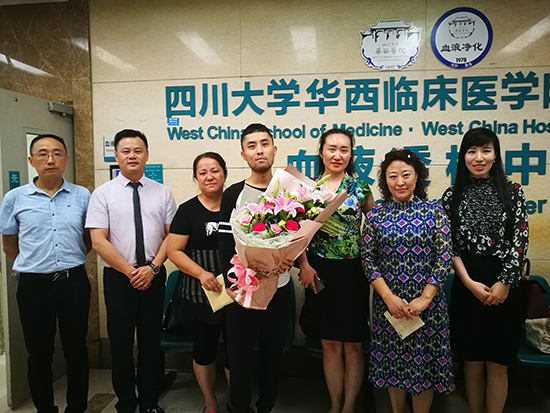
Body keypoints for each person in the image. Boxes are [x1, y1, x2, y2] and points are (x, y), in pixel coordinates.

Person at [86, 129, 176, 413]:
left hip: (154, 275)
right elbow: (98, 241)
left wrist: (152, 267)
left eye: (138, 150)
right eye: (126, 151)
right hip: (118, 278)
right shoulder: (102, 194)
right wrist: (130, 272)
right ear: (116, 156)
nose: (132, 156)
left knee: (151, 341)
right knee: (121, 343)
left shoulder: (162, 192)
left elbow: (171, 237)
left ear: (147, 155)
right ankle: (125, 403)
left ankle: (149, 402)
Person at [0, 134, 91, 413]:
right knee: (39, 354)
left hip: (73, 283)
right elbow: (9, 244)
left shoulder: (83, 195)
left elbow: (89, 239)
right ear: (31, 160)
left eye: (56, 153)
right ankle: (45, 409)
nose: (50, 160)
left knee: (76, 350)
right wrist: (36, 263)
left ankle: (77, 408)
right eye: (42, 154)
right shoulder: (14, 198)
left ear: (66, 160)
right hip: (33, 287)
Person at [441, 128, 528, 413]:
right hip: (468, 283)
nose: (479, 158)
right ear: (463, 156)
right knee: (472, 359)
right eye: (472, 151)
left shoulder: (512, 191)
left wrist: (505, 282)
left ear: (495, 155)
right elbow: (449, 246)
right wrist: (468, 283)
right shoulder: (452, 195)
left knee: (498, 361)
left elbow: (520, 240)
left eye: (486, 151)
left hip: (505, 285)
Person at [362, 149, 454, 413]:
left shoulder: (434, 211)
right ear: (385, 180)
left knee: (423, 366)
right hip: (389, 306)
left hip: (427, 306)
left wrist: (425, 298)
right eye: (392, 176)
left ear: (417, 177)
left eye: (406, 175)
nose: (399, 182)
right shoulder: (375, 215)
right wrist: (388, 298)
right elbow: (368, 259)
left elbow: (444, 256)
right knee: (395, 365)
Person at [298, 128, 375, 413]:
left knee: (353, 344)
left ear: (351, 154)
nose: (337, 155)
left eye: (344, 149)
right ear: (321, 152)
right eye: (332, 148)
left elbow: (374, 229)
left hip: (354, 272)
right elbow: (296, 233)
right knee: (330, 344)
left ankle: (349, 406)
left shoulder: (360, 188)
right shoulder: (308, 189)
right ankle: (334, 405)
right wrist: (304, 265)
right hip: (319, 271)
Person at [218, 123, 293, 413]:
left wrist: (291, 258)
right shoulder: (233, 194)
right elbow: (225, 243)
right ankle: (239, 407)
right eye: (251, 146)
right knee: (238, 356)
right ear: (243, 154)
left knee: (273, 355)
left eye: (264, 144)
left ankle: (266, 407)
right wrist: (233, 282)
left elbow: (300, 234)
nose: (259, 150)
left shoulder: (288, 190)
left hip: (279, 287)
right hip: (242, 290)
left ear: (274, 149)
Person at [166, 152, 229, 413]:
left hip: (235, 292)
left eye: (215, 170)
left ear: (224, 173)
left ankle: (236, 401)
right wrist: (202, 274)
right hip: (199, 294)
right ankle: (210, 401)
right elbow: (173, 251)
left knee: (235, 351)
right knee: (204, 351)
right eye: (202, 172)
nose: (209, 176)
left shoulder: (238, 206)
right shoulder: (187, 210)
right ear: (196, 178)